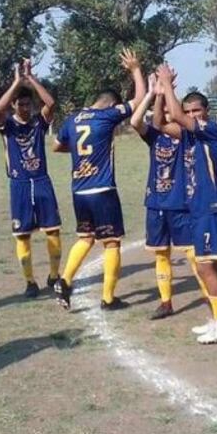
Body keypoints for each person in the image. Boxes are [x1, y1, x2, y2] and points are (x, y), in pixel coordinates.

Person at [52, 49, 147, 310]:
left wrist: (80, 151)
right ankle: (108, 298)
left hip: (79, 191)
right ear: (111, 103)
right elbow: (139, 99)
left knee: (85, 237)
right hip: (102, 190)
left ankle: (64, 280)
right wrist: (136, 69)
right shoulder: (107, 115)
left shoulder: (72, 119)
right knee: (112, 242)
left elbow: (56, 146)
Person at [153, 64, 217, 344]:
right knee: (204, 267)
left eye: (196, 111)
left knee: (207, 266)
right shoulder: (188, 135)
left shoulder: (212, 131)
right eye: (188, 111)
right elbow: (159, 123)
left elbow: (174, 116)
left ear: (206, 112)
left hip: (211, 208)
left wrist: (167, 83)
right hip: (196, 209)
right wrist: (160, 94)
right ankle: (215, 318)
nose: (190, 115)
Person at [130, 73, 210, 319]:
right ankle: (166, 302)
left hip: (180, 204)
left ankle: (209, 295)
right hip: (155, 204)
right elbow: (135, 121)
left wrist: (168, 94)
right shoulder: (154, 137)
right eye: (163, 112)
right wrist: (154, 93)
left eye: (169, 112)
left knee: (192, 253)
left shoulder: (188, 137)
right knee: (161, 253)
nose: (166, 115)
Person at [0, 59, 62, 298]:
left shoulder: (38, 123)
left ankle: (54, 275)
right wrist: (16, 83)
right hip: (19, 184)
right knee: (22, 234)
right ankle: (30, 281)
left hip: (41, 181)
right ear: (14, 105)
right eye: (20, 104)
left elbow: (51, 103)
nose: (24, 107)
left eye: (27, 103)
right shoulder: (8, 125)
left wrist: (30, 78)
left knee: (53, 231)